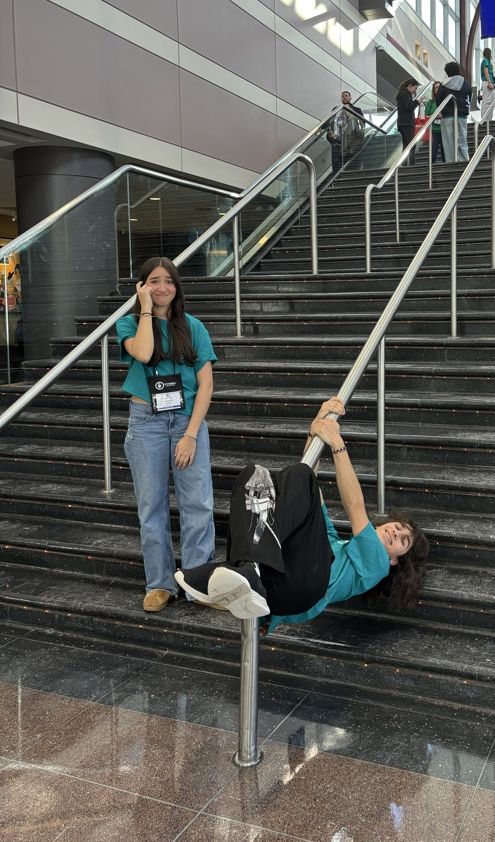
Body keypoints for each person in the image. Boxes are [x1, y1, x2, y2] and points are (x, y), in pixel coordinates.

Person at [175, 398, 430, 631]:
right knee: (255, 475)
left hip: (304, 589)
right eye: (399, 526)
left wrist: (337, 445)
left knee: (300, 478)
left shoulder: (379, 566)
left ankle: (239, 566)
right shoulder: (336, 543)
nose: (396, 532)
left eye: (402, 541)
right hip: (278, 582)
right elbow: (308, 486)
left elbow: (354, 506)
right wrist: (317, 426)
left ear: (396, 560)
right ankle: (248, 568)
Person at [116, 257, 217, 612]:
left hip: (187, 421)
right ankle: (159, 584)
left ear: (177, 287)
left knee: (198, 505)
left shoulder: (193, 327)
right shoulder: (129, 323)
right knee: (152, 506)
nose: (162, 288)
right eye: (153, 282)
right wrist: (145, 309)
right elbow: (143, 353)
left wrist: (190, 434)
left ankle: (197, 583)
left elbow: (206, 385)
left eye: (169, 281)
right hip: (146, 422)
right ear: (142, 286)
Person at [436, 61, 472, 162]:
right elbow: (470, 98)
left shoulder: (443, 85)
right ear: (459, 70)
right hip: (462, 117)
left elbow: (438, 101)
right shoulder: (466, 84)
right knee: (462, 142)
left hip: (447, 117)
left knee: (449, 144)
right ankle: (465, 164)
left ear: (447, 72)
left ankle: (451, 165)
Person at [396, 78, 420, 165]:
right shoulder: (405, 93)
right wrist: (417, 102)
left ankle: (405, 164)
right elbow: (408, 106)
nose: (415, 90)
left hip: (403, 123)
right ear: (410, 86)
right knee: (412, 145)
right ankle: (412, 164)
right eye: (415, 88)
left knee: (406, 146)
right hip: (406, 123)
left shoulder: (402, 93)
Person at [424, 82, 445, 163]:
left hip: (444, 130)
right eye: (436, 87)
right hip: (434, 131)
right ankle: (431, 169)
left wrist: (443, 115)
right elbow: (426, 116)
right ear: (433, 90)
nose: (438, 89)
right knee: (433, 151)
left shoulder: (446, 101)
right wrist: (434, 115)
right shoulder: (430, 102)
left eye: (439, 87)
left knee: (445, 152)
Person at [480, 47, 495, 119]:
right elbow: (486, 72)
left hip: (488, 82)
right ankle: (484, 118)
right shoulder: (485, 60)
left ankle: (488, 118)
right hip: (487, 82)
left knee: (490, 101)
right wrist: (489, 82)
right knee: (486, 101)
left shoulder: (486, 61)